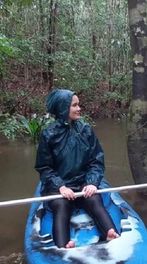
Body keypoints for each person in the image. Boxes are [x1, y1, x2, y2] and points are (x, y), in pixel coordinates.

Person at [35, 89, 120, 248]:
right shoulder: (49, 134)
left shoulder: (85, 130)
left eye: (78, 104)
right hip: (57, 186)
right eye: (74, 105)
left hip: (82, 183)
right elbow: (44, 167)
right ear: (63, 108)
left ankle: (110, 233)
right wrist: (60, 186)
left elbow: (96, 161)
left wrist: (92, 182)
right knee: (61, 205)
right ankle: (64, 245)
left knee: (94, 199)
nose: (79, 108)